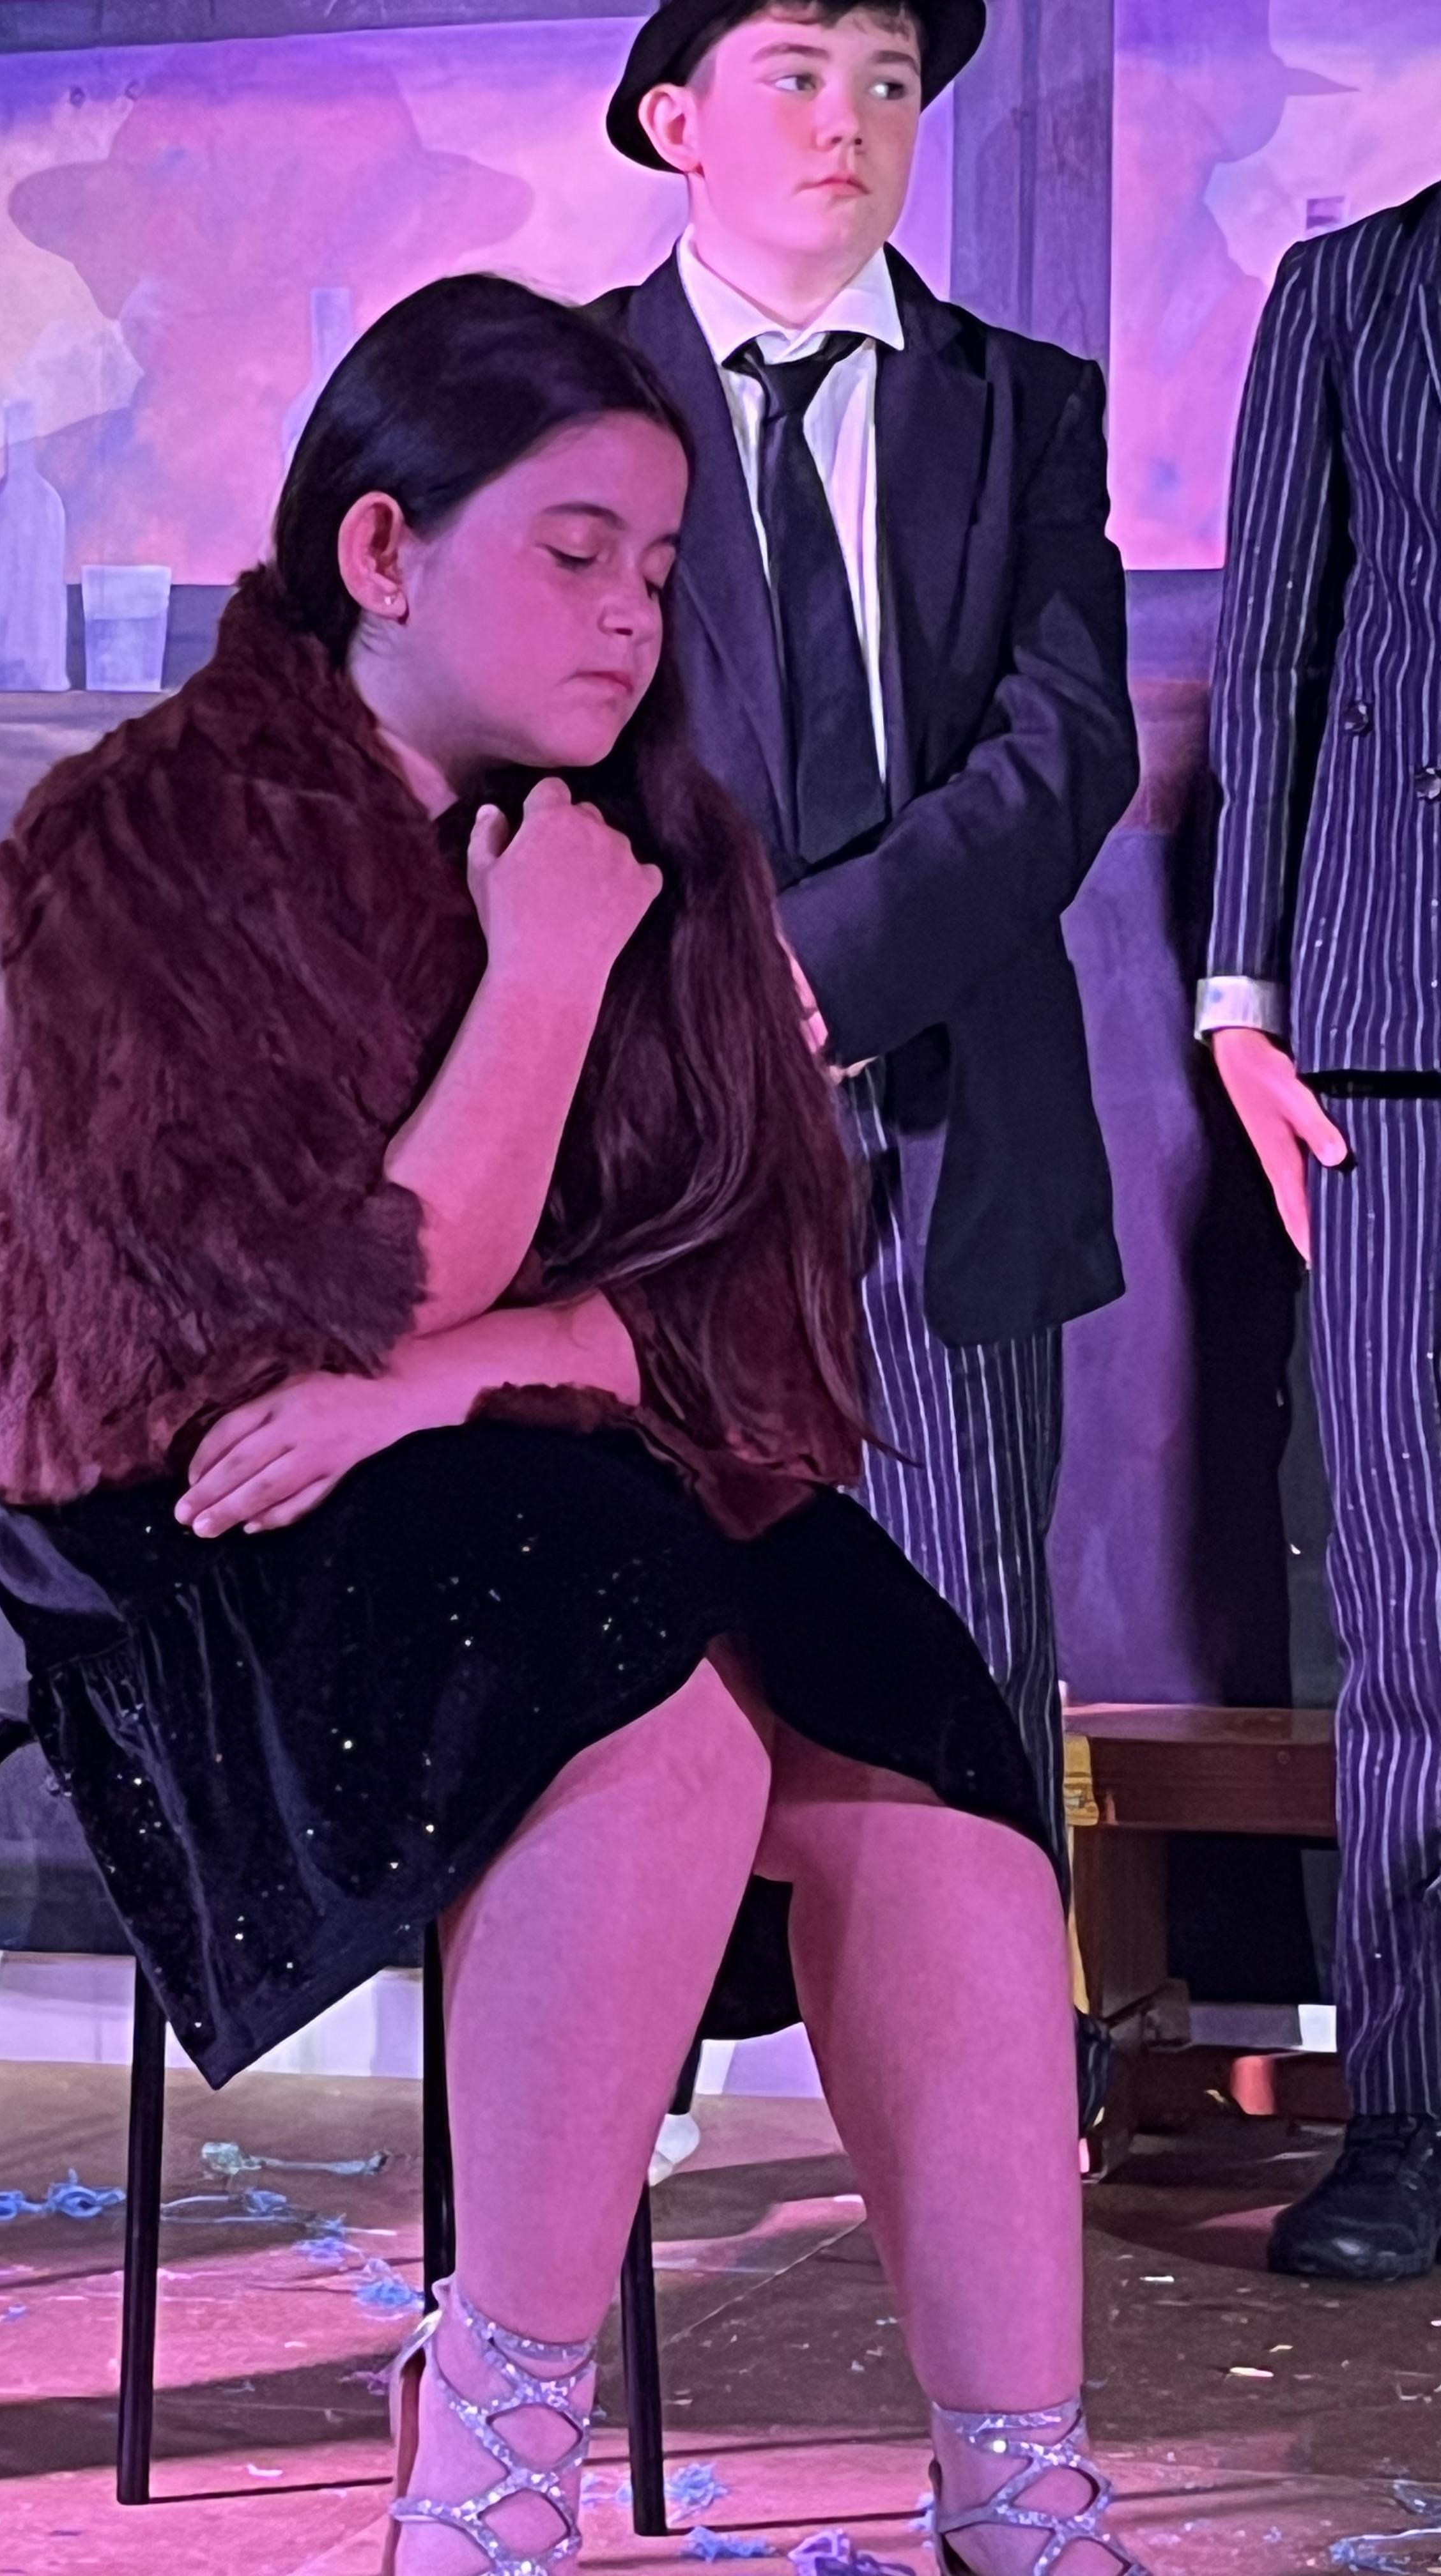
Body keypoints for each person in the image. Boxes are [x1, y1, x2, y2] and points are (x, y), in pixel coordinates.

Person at [0, 275, 1144, 2574]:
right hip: (199, 1496)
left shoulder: (659, 835)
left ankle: (1020, 2490)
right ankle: (495, 2432)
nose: (633, 618)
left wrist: (480, 1369)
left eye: (660, 566)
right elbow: (329, 1295)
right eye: (574, 556)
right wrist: (546, 974)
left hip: (559, 1442)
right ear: (382, 552)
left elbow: (744, 1291)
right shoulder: (140, 843)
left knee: (946, 1788)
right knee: (647, 1711)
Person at [592, 0, 1139, 1876]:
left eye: (891, 85)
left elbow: (1066, 748)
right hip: (657, 1130)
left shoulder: (1021, 401)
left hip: (948, 1123)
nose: (854, 122)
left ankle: (994, 2045)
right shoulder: (561, 396)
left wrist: (821, 967)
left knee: (968, 1636)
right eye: (800, 76)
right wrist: (710, 993)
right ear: (677, 121)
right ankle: (655, 2036)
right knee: (644, 1650)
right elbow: (522, 741)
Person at [1201, 183, 1441, 2284]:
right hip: (1396, 1029)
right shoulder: (1357, 290)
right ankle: (1415, 2115)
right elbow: (1274, 640)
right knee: (1414, 1607)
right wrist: (1242, 998)